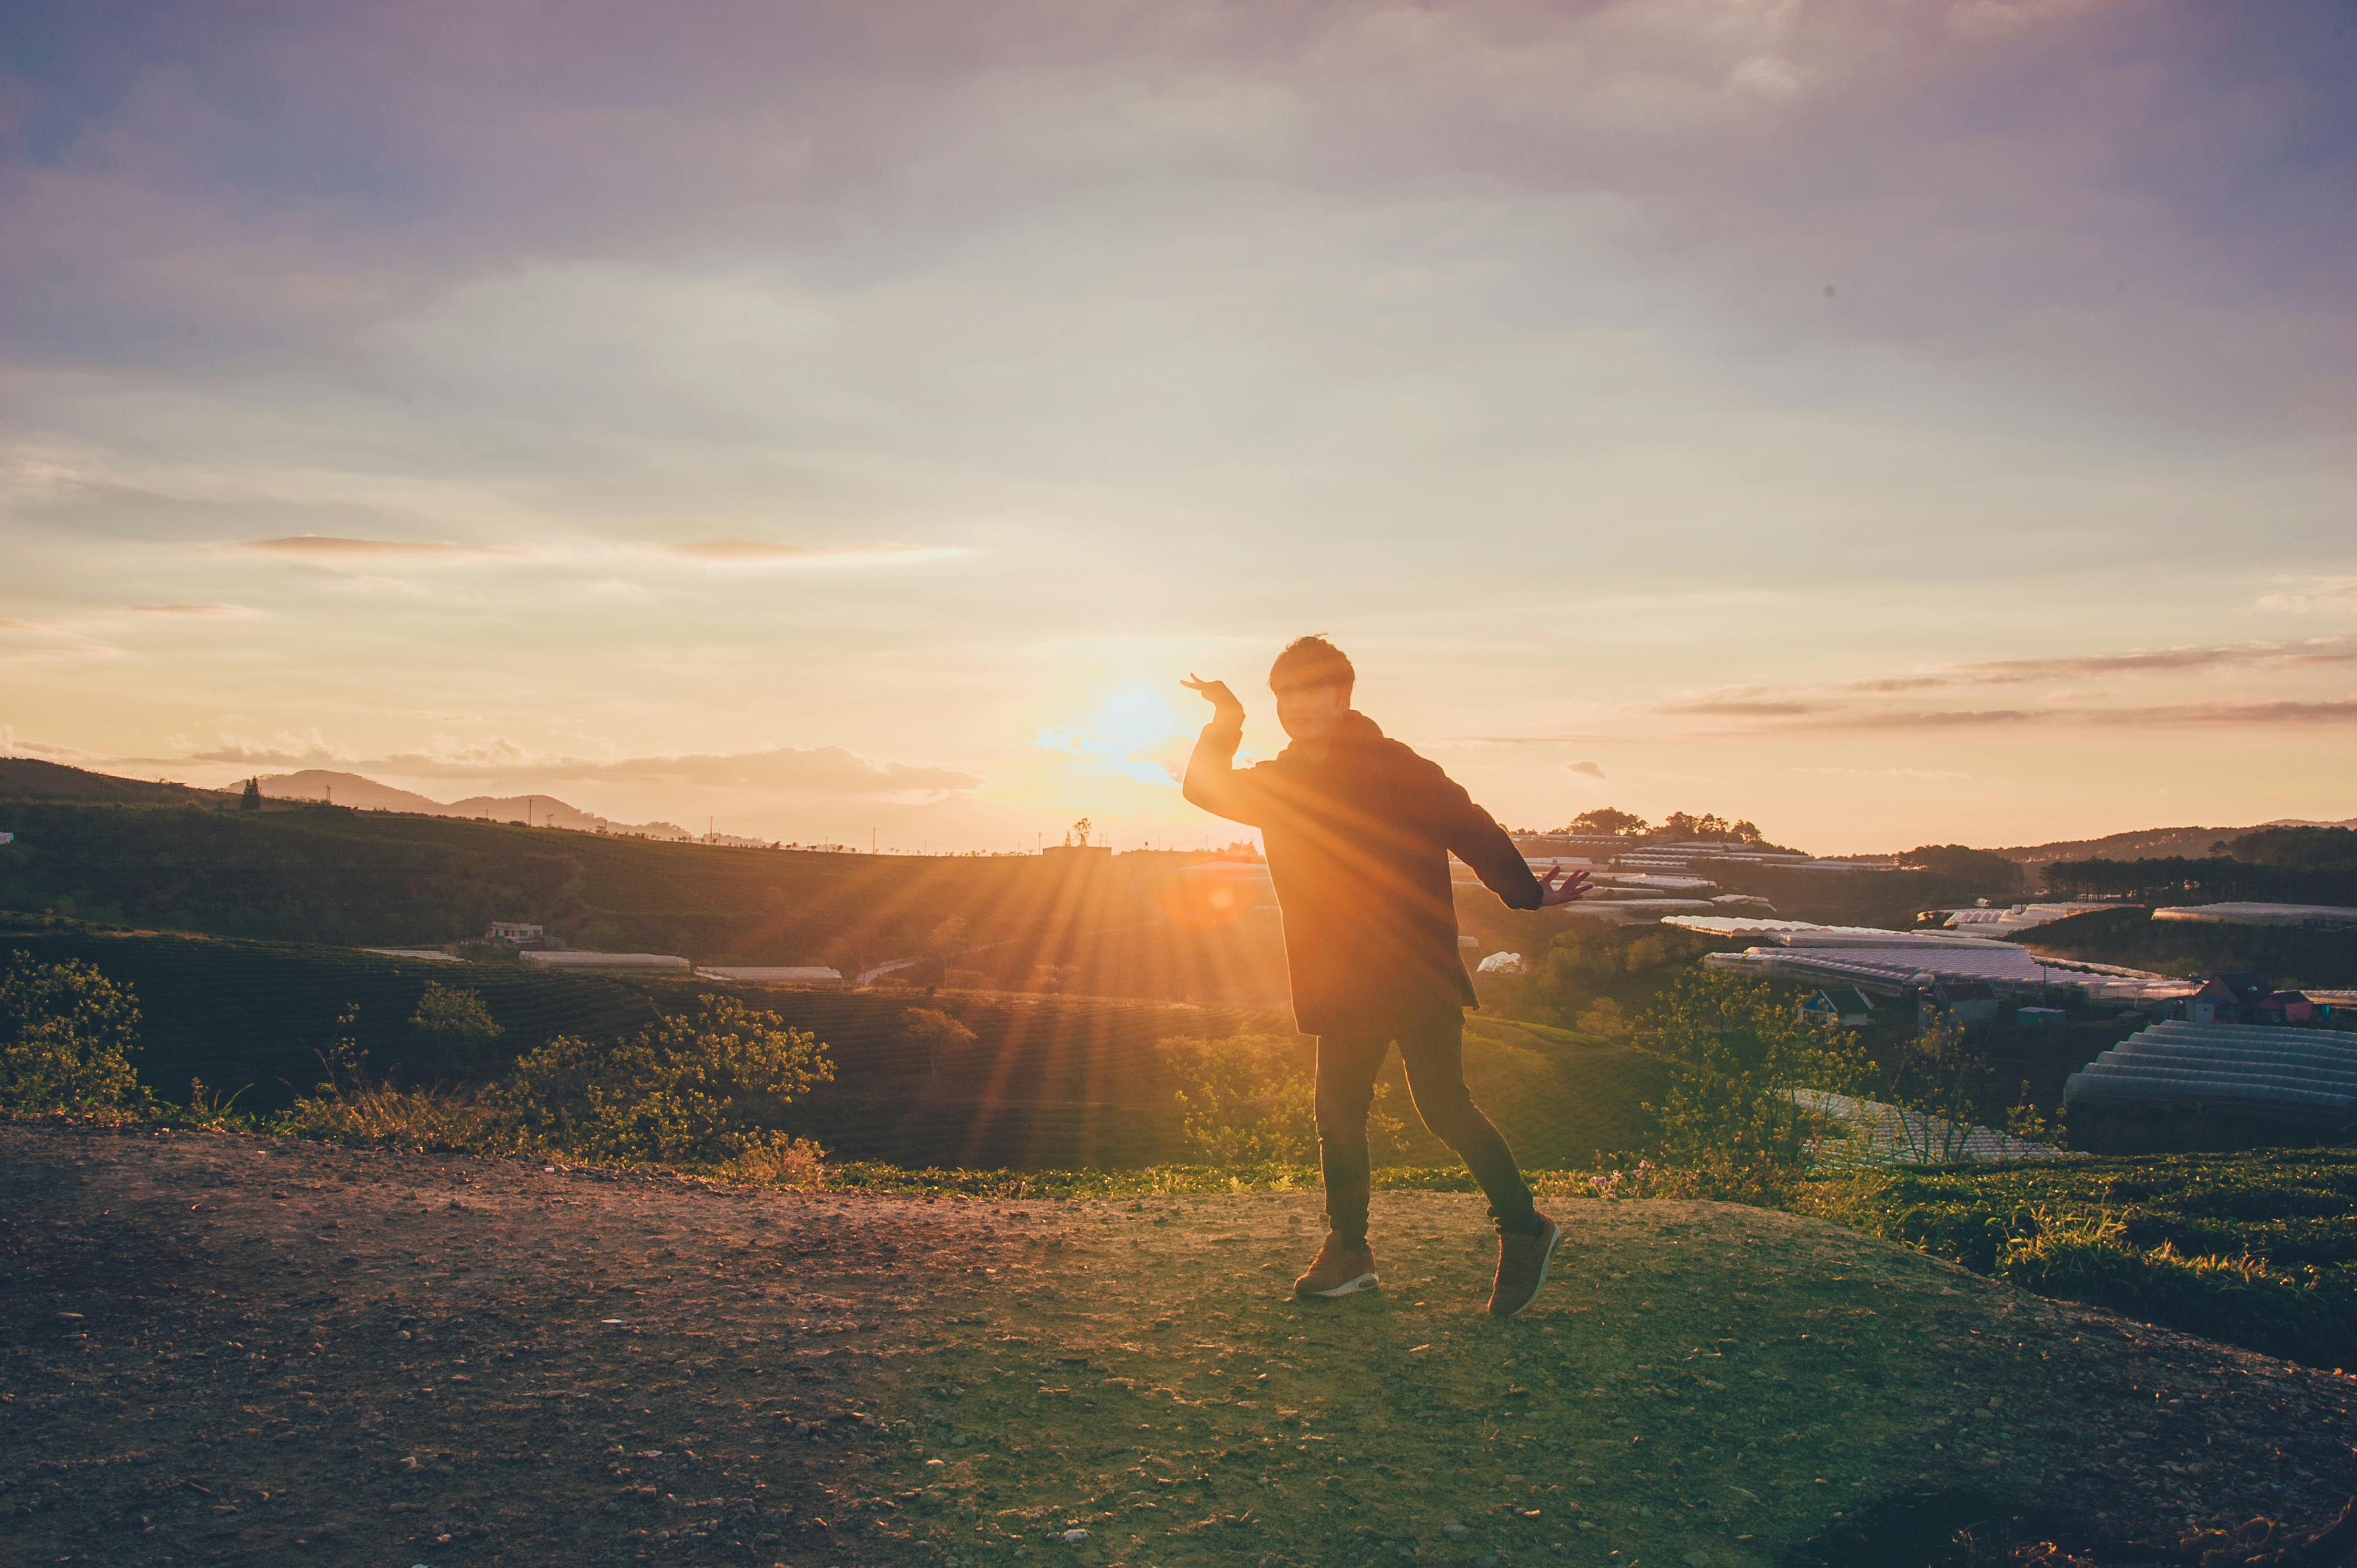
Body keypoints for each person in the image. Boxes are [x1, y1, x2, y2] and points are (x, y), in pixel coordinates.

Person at [1180, 636, 1589, 1317]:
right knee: (1337, 1118)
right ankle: (1349, 1251)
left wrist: (1525, 893)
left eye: (1312, 690)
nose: (1297, 705)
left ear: (1342, 696)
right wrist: (1227, 718)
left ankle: (1524, 1229)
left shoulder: (1397, 767)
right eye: (1285, 694)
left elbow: (1470, 825)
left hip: (1412, 967)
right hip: (1336, 974)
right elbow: (1203, 786)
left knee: (1443, 1107)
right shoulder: (1279, 783)